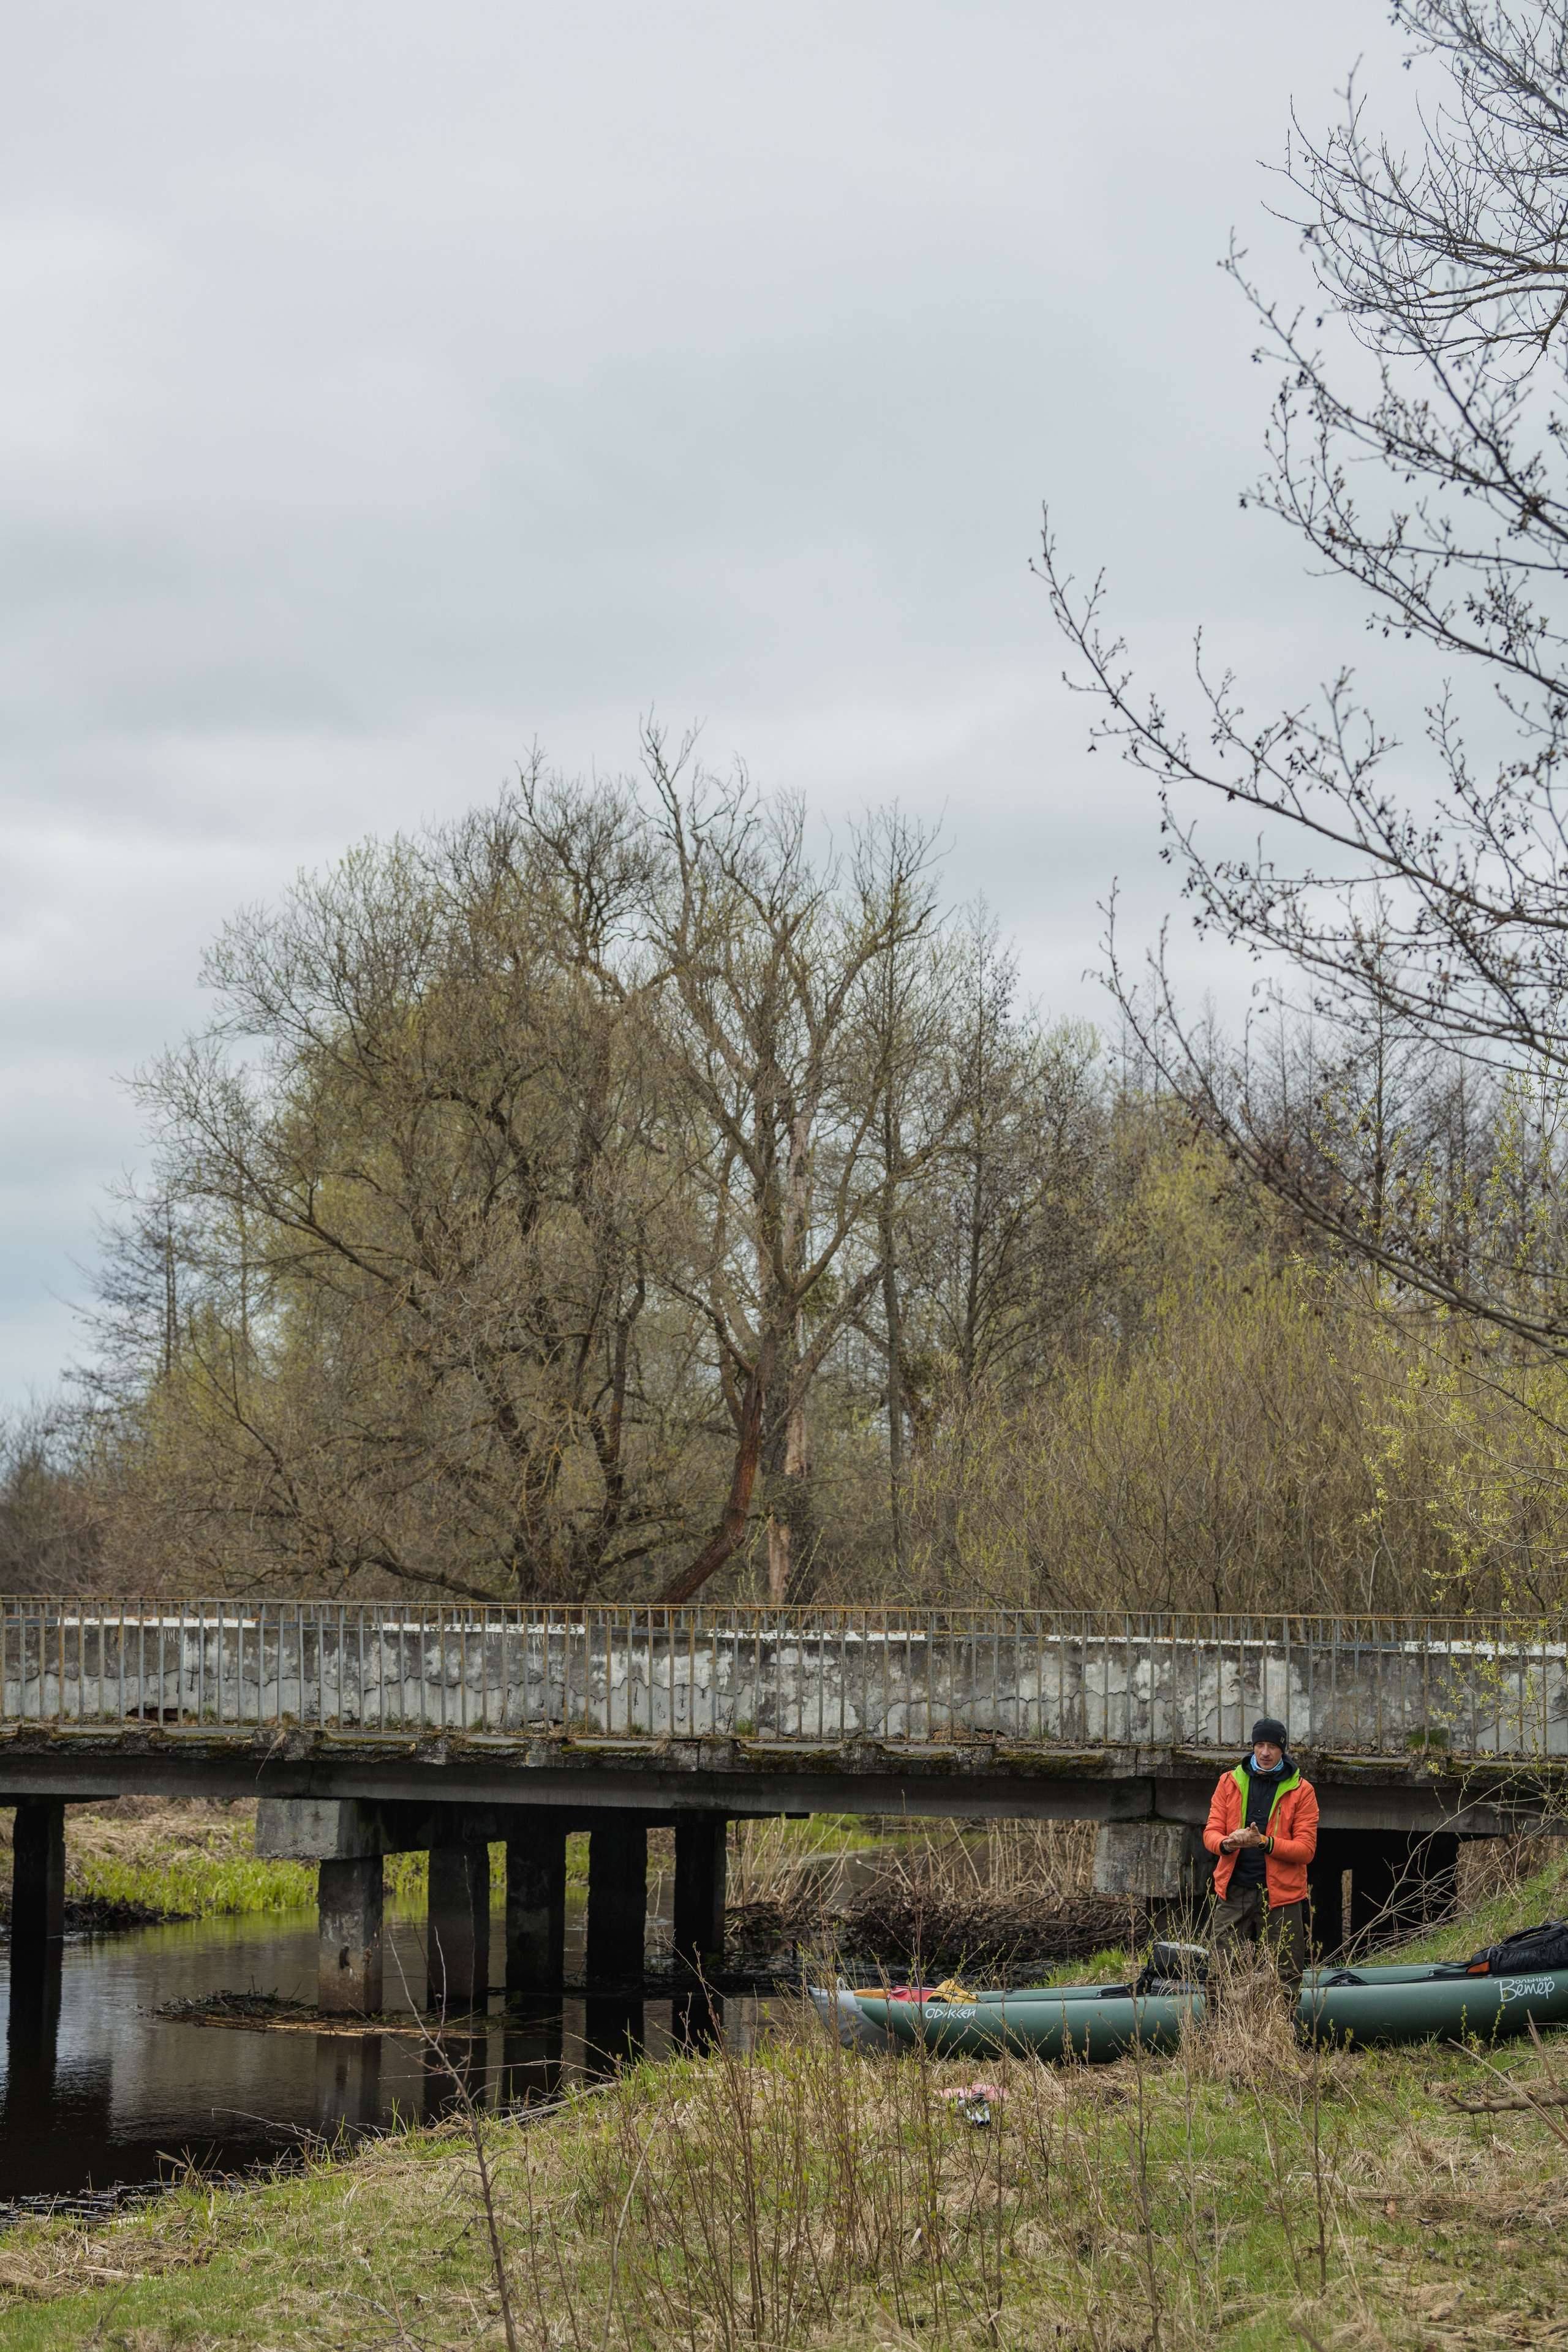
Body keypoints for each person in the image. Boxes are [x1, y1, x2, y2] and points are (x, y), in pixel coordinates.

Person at [1203, 1716, 1319, 1985]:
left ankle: (1278, 2015)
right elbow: (1211, 1833)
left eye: (1273, 1746)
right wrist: (1227, 1843)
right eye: (1260, 1745)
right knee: (1221, 1972)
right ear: (1253, 1746)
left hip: (1282, 1895)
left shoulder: (1302, 1791)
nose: (1265, 1752)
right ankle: (1227, 2015)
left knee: (1286, 1974)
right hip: (1234, 1890)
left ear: (1283, 1749)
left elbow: (1306, 1851)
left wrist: (1265, 1843)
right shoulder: (1228, 1782)